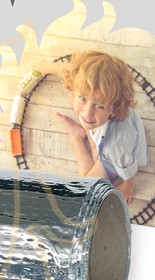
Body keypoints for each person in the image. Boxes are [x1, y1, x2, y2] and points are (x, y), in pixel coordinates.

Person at [34, 51, 148, 204]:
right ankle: (93, 142)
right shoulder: (91, 101)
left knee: (85, 188)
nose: (87, 113)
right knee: (72, 94)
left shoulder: (115, 147)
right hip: (103, 133)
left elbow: (127, 168)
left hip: (110, 156)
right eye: (83, 98)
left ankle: (77, 136)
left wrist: (128, 187)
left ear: (114, 109)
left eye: (99, 106)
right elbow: (71, 71)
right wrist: (47, 66)